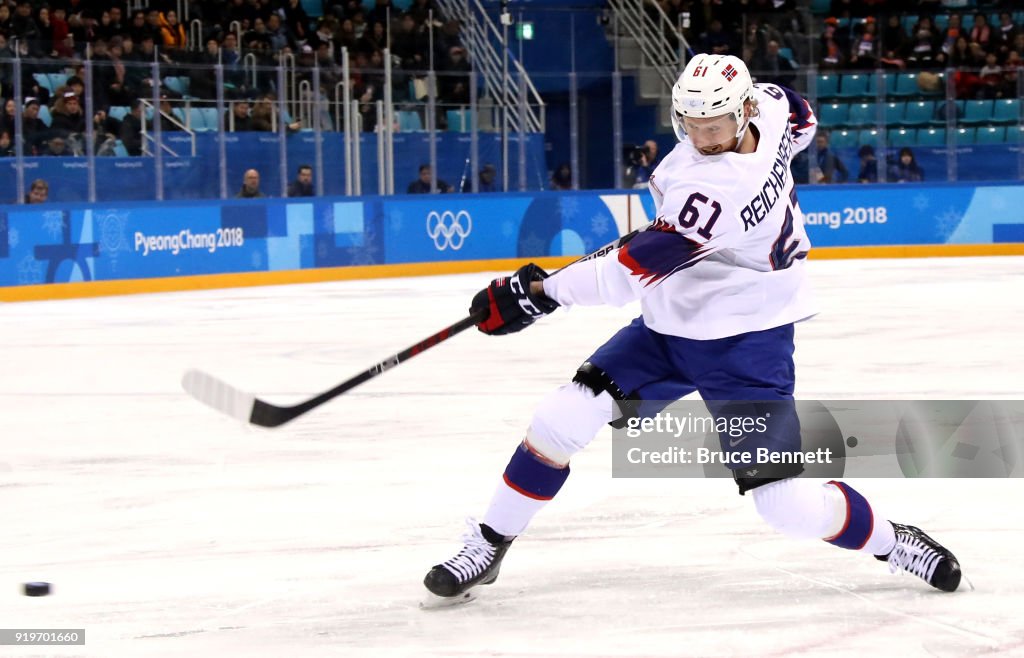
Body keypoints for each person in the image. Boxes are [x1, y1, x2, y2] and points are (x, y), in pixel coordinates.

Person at [422, 54, 962, 604]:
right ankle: (490, 543)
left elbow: (622, 275)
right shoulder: (770, 111)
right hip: (668, 327)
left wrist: (539, 296)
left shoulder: (715, 192)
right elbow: (802, 118)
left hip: (748, 342)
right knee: (560, 417)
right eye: (692, 124)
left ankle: (894, 542)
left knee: (783, 506)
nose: (702, 137)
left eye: (714, 125)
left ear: (742, 109)